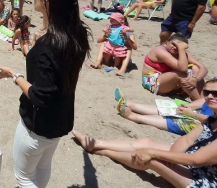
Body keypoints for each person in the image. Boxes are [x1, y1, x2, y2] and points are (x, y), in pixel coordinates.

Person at [0, 0, 91, 188]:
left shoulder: (49, 45)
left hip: (37, 126)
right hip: (60, 120)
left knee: (24, 177)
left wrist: (14, 75)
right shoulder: (77, 34)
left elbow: (39, 96)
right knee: (43, 166)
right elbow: (54, 75)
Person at [72, 78, 217, 188]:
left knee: (151, 159)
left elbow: (196, 160)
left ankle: (104, 151)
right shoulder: (212, 118)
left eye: (215, 93)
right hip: (193, 157)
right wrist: (171, 155)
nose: (210, 96)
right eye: (207, 92)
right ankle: (96, 143)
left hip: (205, 180)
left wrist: (154, 153)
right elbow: (187, 140)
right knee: (146, 143)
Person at [114, 87, 213, 136]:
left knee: (181, 122)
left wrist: (193, 114)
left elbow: (214, 121)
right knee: (173, 107)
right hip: (202, 111)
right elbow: (205, 99)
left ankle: (134, 116)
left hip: (208, 124)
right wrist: (188, 106)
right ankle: (131, 104)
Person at [142, 33, 208, 100]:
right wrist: (181, 49)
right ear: (167, 42)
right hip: (152, 82)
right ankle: (200, 102)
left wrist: (195, 80)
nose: (175, 47)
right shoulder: (160, 51)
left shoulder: (181, 52)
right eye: (173, 44)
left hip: (169, 82)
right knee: (181, 73)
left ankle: (203, 98)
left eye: (179, 46)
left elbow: (203, 68)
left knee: (195, 68)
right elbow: (183, 69)